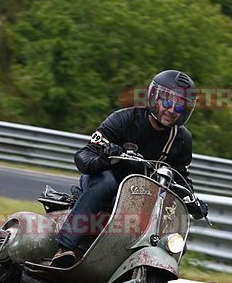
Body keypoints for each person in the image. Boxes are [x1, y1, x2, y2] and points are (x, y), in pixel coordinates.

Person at [51, 69, 209, 268]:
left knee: (170, 213)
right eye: (168, 101)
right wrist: (103, 158)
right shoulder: (124, 119)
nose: (171, 110)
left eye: (179, 106)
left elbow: (181, 176)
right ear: (154, 98)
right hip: (107, 182)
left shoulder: (181, 139)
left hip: (143, 195)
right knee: (105, 182)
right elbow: (83, 155)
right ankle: (64, 247)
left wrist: (193, 201)